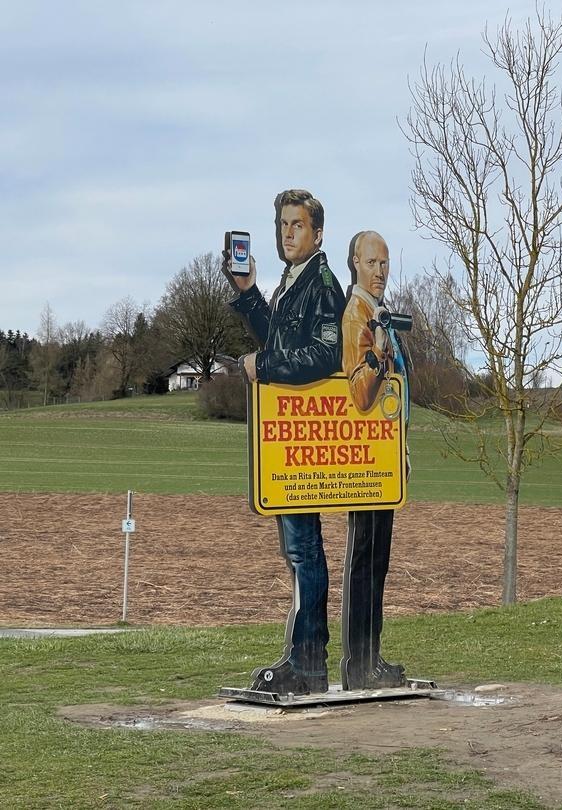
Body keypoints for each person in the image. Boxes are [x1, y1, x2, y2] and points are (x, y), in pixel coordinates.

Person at [222, 189, 345, 695]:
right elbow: (280, 339)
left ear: (317, 232)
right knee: (298, 549)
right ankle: (304, 658)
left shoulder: (322, 284)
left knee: (305, 551)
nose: (287, 233)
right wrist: (249, 292)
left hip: (307, 436)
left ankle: (309, 661)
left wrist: (264, 366)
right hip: (290, 436)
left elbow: (322, 355)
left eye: (296, 225)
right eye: (282, 225)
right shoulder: (294, 283)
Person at [339, 230, 410, 689]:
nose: (380, 271)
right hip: (365, 462)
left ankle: (372, 658)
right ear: (354, 265)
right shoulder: (356, 316)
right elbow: (359, 393)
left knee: (376, 561)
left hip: (383, 461)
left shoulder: (379, 314)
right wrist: (381, 357)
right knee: (365, 559)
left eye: (385, 262)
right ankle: (360, 664)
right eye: (371, 263)